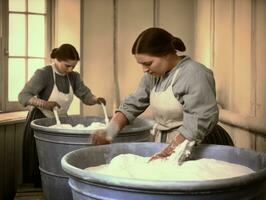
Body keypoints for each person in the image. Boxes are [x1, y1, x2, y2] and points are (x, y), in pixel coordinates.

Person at [91, 27, 233, 160]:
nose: (144, 70)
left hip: (194, 144)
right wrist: (109, 132)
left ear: (166, 54)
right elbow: (133, 104)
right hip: (169, 143)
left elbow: (199, 119)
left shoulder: (194, 74)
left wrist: (170, 150)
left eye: (148, 63)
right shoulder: (152, 77)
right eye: (141, 64)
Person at [18, 43, 106, 187]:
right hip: (40, 121)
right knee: (42, 164)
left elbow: (84, 94)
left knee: (58, 160)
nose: (70, 69)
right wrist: (44, 104)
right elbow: (23, 96)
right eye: (67, 65)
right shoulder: (44, 74)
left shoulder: (73, 76)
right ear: (57, 60)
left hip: (60, 123)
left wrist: (96, 99)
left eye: (73, 66)